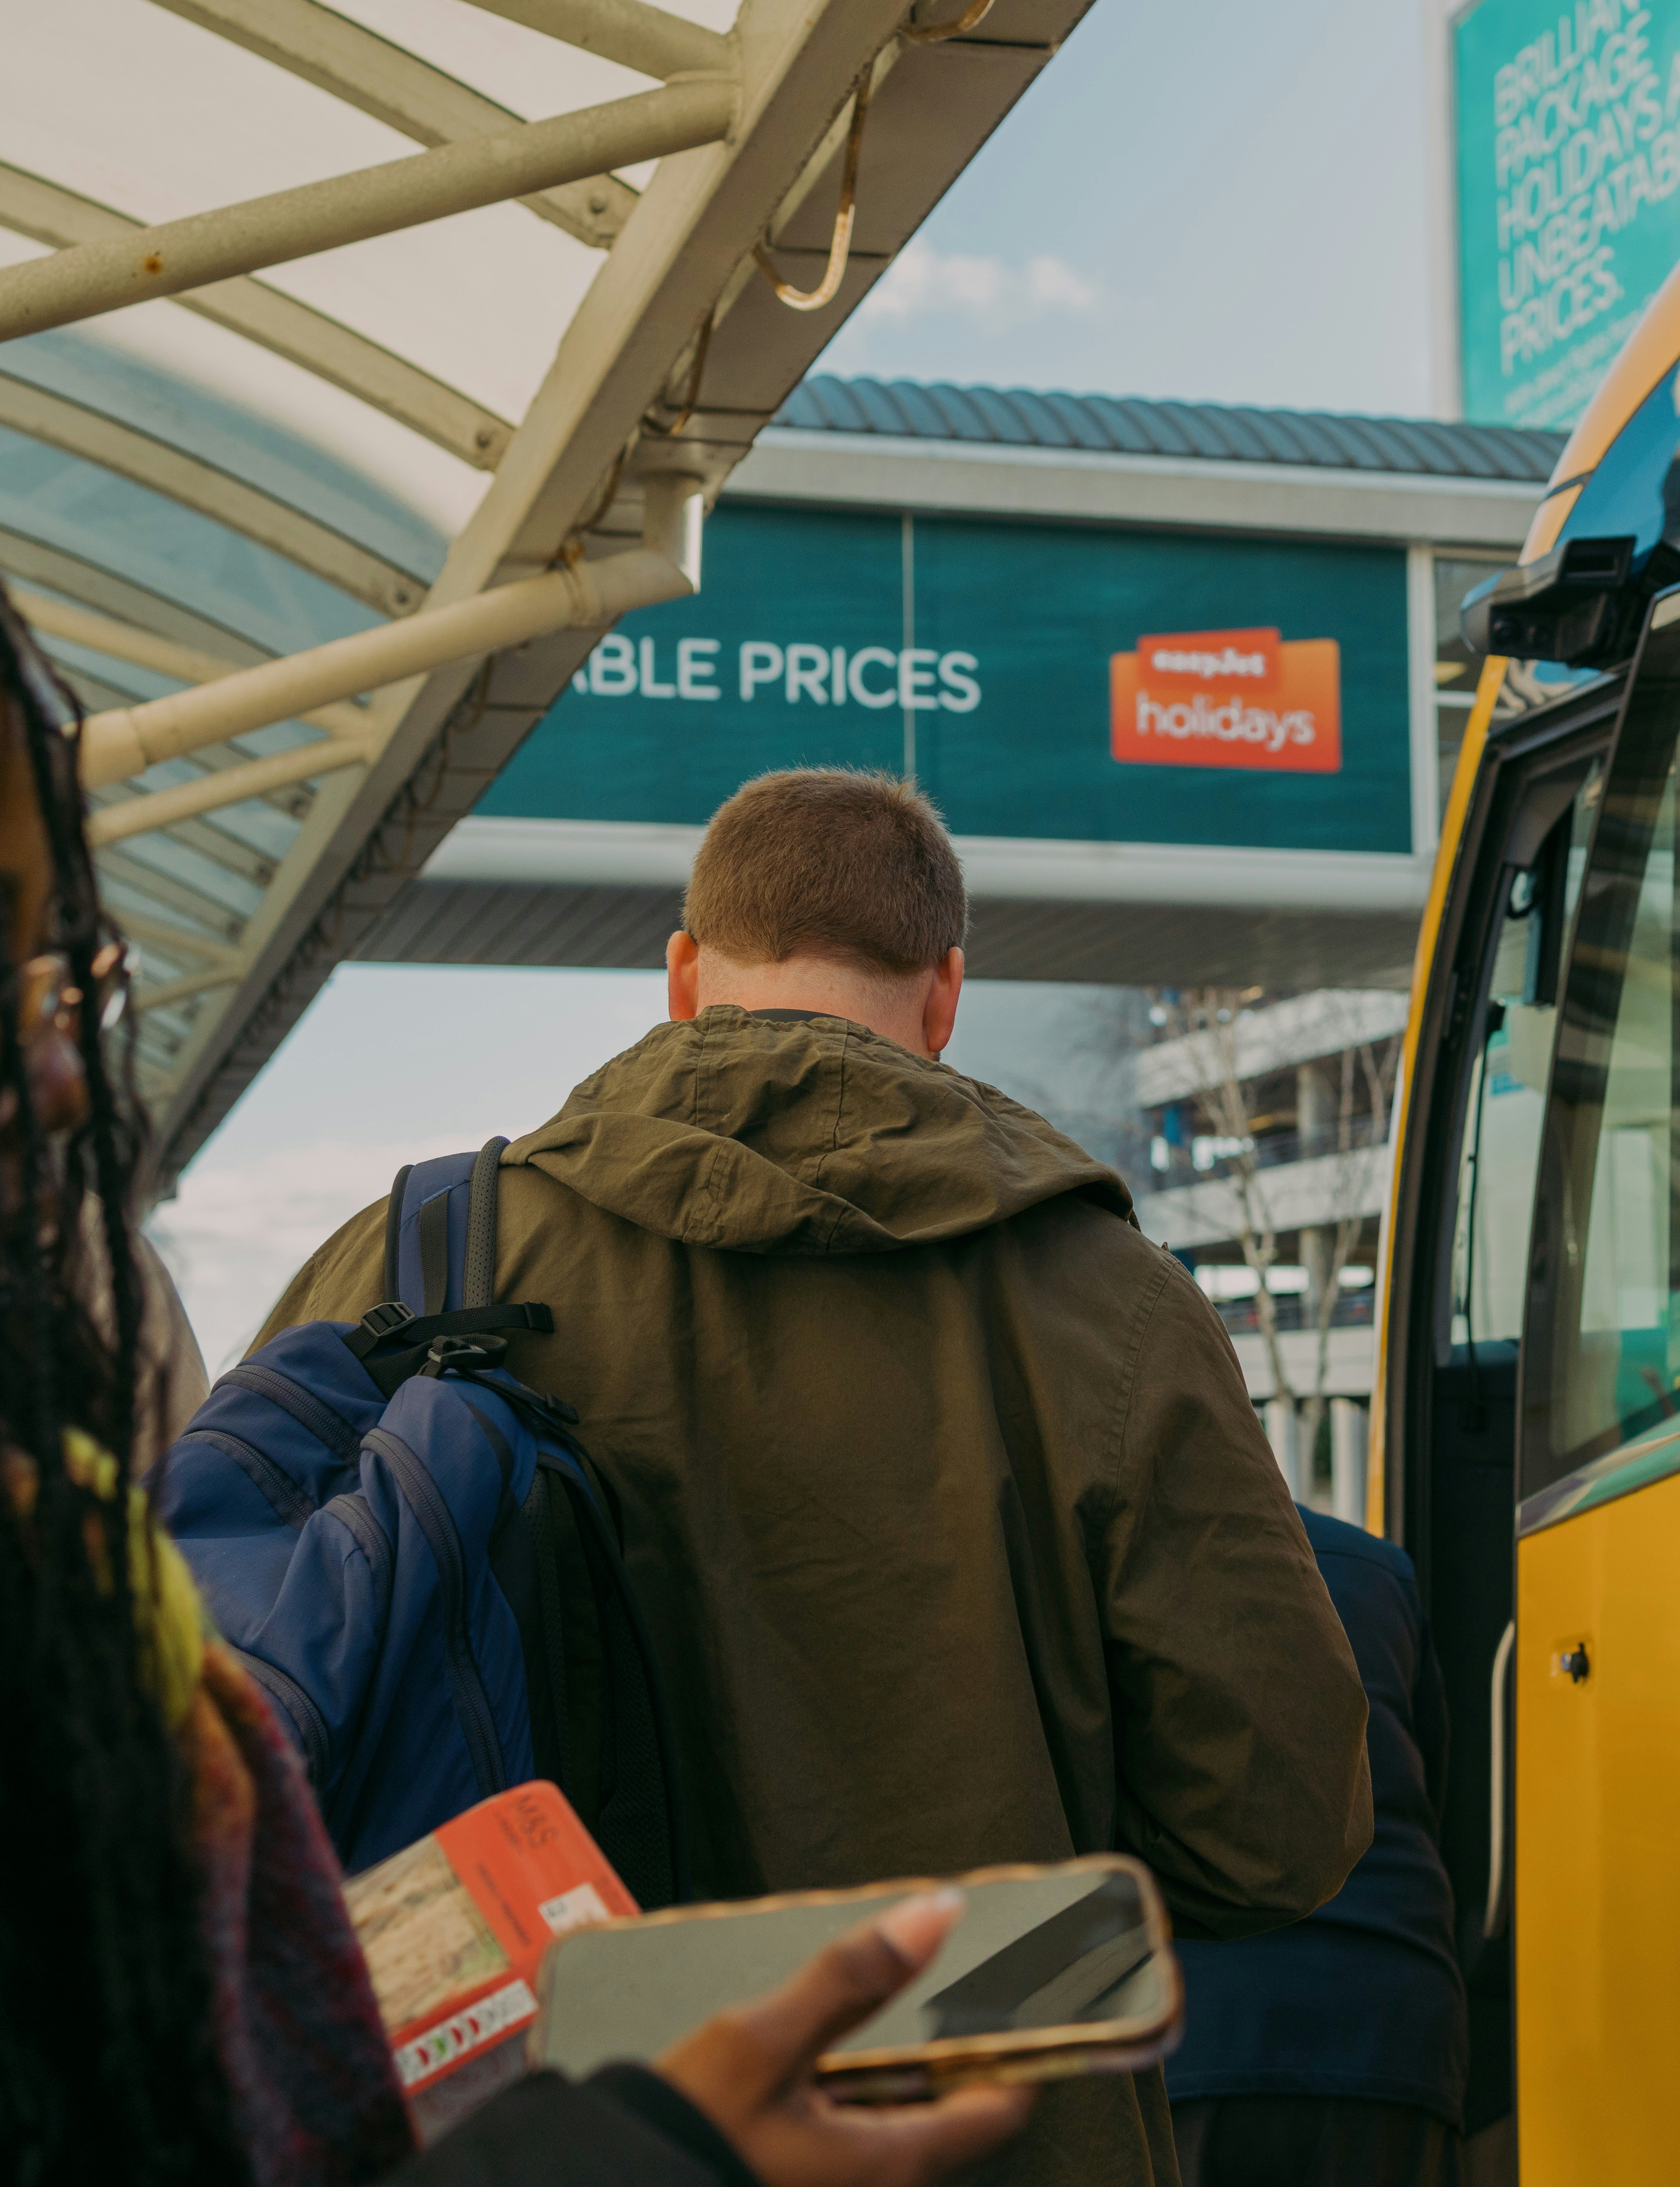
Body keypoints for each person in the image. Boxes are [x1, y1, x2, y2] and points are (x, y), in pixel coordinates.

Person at [0, 414, 1028, 2187]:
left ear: (683, 974)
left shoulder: (340, 1307)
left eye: (69, 977)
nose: (65, 1086)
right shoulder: (1102, 1289)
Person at [260, 767, 1375, 2187]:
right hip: (988, 2136)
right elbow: (1274, 1827)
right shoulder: (1113, 1301)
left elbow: (249, 1735)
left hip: (550, 2136)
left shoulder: (418, 1262)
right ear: (946, 989)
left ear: (684, 972)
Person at [1164, 1508, 1467, 2187]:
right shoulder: (1378, 1568)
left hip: (1197, 2029)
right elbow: (1429, 1800)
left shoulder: (1132, 1570)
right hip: (1391, 2025)